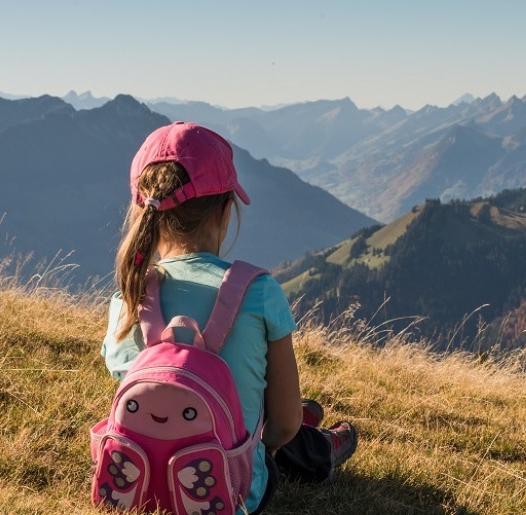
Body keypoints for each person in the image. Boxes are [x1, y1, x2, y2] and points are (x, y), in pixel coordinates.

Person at [99, 121, 358, 514]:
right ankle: (319, 445)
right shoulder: (257, 291)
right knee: (272, 420)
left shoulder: (129, 297)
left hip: (136, 488)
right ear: (225, 210)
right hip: (233, 495)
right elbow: (284, 427)